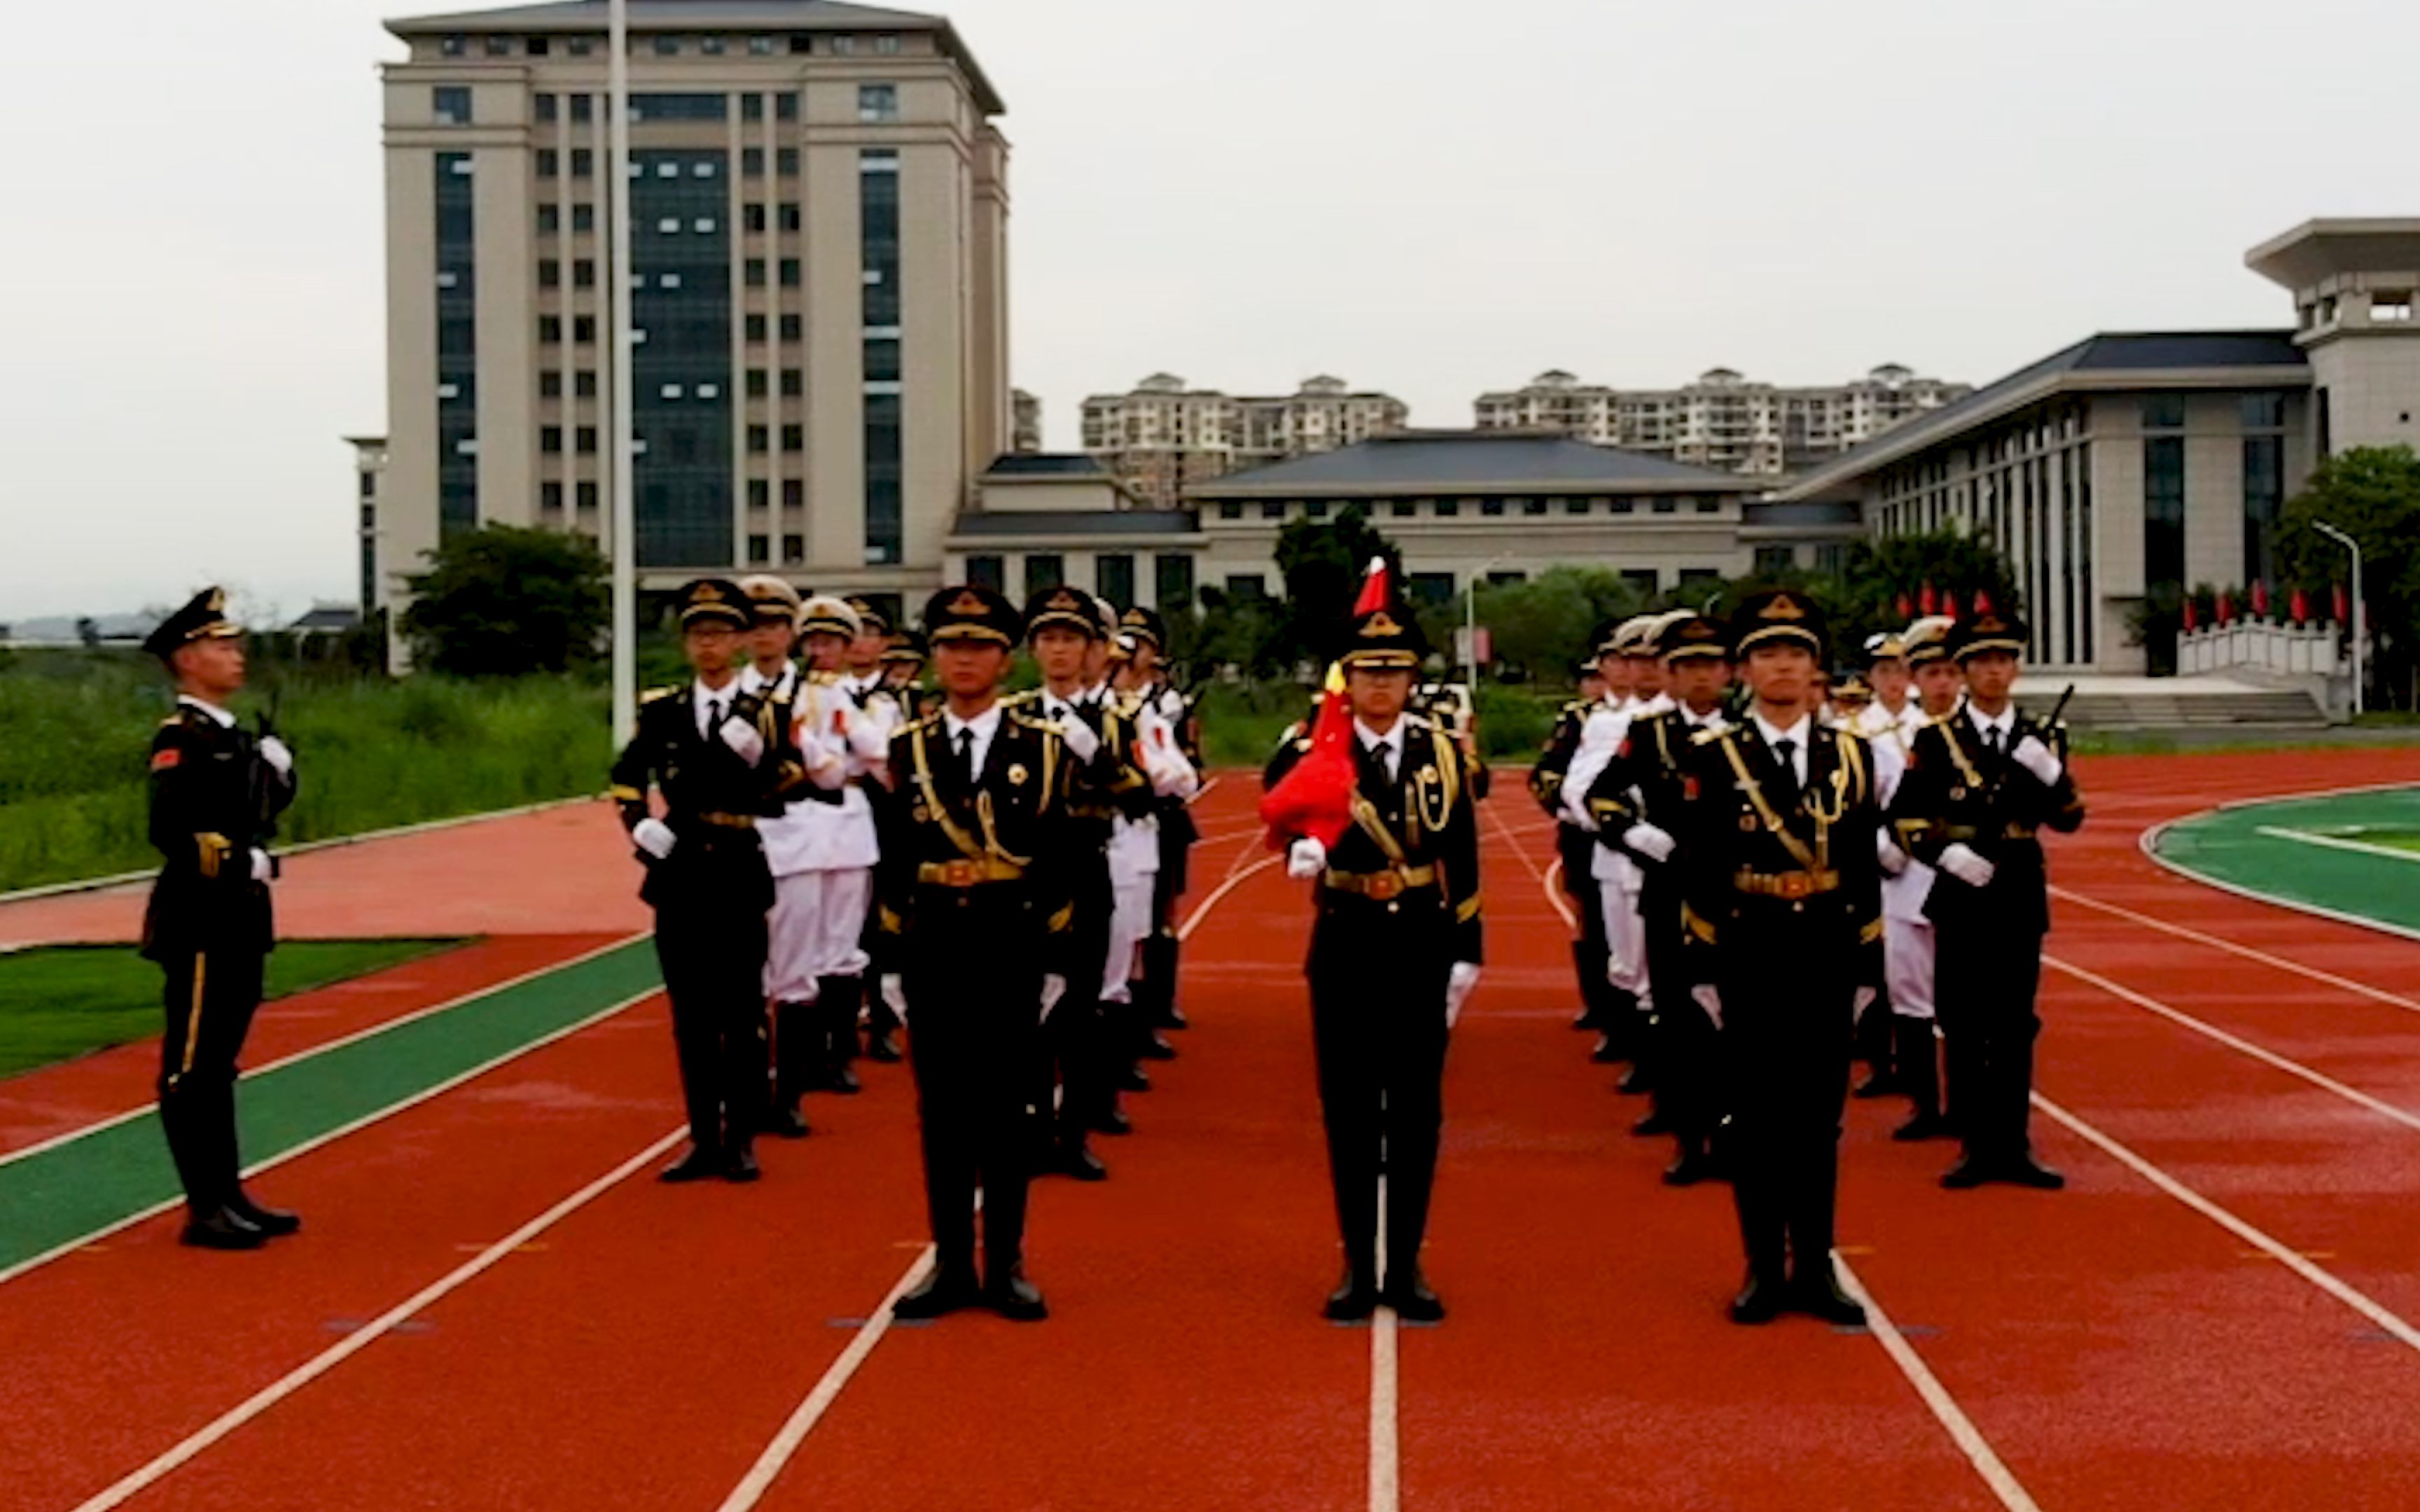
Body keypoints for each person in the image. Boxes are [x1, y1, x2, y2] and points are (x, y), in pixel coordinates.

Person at [1674, 589, 1884, 1326]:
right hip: (1750, 949)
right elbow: (1697, 869)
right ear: (1745, 670)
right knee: (1758, 1119)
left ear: (1816, 669)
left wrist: (1868, 968)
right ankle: (1764, 1268)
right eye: (1768, 654)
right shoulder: (1713, 757)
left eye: (1796, 654)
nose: (1783, 666)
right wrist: (1701, 969)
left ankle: (1816, 1267)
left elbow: (1860, 867)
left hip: (1825, 949)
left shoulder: (1852, 757)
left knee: (1819, 1121)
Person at [1267, 605, 1482, 1323]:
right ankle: (1359, 1263)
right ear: (1347, 681)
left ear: (1413, 678)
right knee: (1351, 1111)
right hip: (1347, 939)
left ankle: (1408, 1261)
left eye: (1394, 671)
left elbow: (1462, 854)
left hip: (1420, 941)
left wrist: (1468, 947)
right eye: (1368, 671)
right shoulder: (1313, 750)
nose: (1381, 684)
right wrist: (1299, 839)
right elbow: (1280, 814)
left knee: (1418, 1111)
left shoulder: (1442, 753)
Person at [872, 584, 1076, 1322]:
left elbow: (1061, 859)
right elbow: (892, 859)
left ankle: (1007, 1262)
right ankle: (951, 1261)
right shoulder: (908, 749)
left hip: (1009, 942)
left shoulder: (1043, 752)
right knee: (944, 1112)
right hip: (935, 946)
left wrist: (1058, 957)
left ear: (1004, 658)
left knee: (1009, 1109)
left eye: (980, 646)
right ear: (933, 658)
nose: (964, 658)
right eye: (951, 646)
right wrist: (888, 956)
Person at [611, 579, 804, 1184]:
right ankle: (702, 1137)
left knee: (743, 1011)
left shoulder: (768, 711)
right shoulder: (663, 710)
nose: (709, 645)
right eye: (699, 634)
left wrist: (760, 763)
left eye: (720, 633)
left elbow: (793, 786)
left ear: (741, 641)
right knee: (691, 1014)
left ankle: (742, 1136)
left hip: (739, 865)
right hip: (682, 869)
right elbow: (625, 775)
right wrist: (640, 825)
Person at [1891, 610, 2087, 1189]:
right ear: (1966, 670)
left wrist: (2051, 774)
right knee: (1964, 1019)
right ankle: (1975, 1144)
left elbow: (2070, 819)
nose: (1993, 672)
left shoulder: (2041, 737)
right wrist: (1947, 853)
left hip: (2018, 888)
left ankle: (2014, 1144)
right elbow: (1903, 817)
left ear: (2016, 668)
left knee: (2015, 1022)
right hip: (1961, 892)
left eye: (2003, 661)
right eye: (1981, 662)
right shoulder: (1935, 740)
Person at [139, 587, 301, 1250]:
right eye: (222, 646)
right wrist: (241, 865)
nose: (236, 657)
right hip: (201, 916)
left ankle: (228, 1191)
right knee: (193, 1063)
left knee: (222, 1063)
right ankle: (204, 1206)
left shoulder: (232, 736)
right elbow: (176, 831)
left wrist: (279, 775)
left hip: (239, 917)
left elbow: (255, 813)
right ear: (186, 658)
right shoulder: (182, 739)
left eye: (237, 646)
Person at [1577, 610, 1734, 1184]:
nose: (1699, 677)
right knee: (1678, 1019)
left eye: (1710, 665)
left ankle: (1735, 1135)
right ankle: (1691, 1139)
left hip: (1740, 901)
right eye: (1687, 665)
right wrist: (1635, 834)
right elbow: (1600, 799)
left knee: (1737, 1026)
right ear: (1669, 671)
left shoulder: (1748, 730)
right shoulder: (1649, 735)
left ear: (1729, 671)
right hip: (1669, 894)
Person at [754, 589, 871, 1129]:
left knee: (831, 949)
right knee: (762, 962)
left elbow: (869, 753)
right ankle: (761, 1080)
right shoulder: (748, 692)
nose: (820, 649)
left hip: (834, 824)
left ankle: (823, 1062)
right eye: (814, 639)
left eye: (831, 640)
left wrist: (822, 758)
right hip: (767, 827)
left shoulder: (831, 696)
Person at [1861, 623, 1953, 1137]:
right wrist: (1881, 849)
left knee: (1960, 996)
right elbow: (1855, 808)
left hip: (1953, 872)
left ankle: (1964, 1100)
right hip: (1898, 875)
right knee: (1909, 992)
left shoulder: (1941, 729)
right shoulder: (1858, 735)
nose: (1896, 680)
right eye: (1887, 671)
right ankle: (1924, 1103)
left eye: (1904, 671)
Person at [1528, 621, 1629, 1062]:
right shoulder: (1581, 719)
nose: (1626, 670)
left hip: (1638, 837)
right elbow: (1546, 774)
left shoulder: (1653, 721)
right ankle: (1604, 1008)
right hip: (1587, 835)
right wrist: (1571, 809)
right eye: (1617, 662)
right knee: (1596, 924)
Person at [1116, 606, 1201, 1035]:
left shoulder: (1167, 704)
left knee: (1158, 916)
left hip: (1162, 818)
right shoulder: (1122, 707)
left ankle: (1157, 1003)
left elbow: (1187, 766)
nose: (1134, 652)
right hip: (1124, 819)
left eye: (1143, 644)